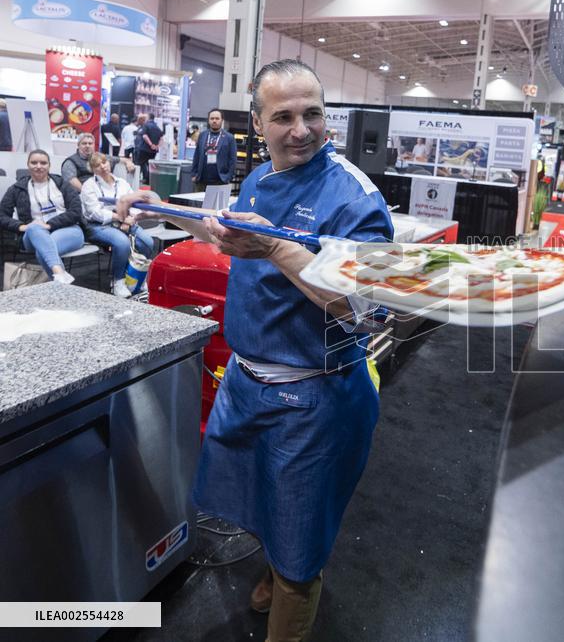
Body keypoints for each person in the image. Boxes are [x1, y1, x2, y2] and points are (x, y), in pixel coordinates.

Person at [116, 59, 393, 641]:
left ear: (328, 117)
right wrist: (157, 209)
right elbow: (230, 240)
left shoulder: (354, 198)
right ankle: (277, 571)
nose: (301, 130)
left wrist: (271, 248)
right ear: (259, 125)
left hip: (315, 399)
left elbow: (364, 308)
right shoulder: (261, 177)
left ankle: (290, 589)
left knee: (300, 548)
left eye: (312, 114)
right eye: (284, 117)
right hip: (247, 384)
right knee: (264, 508)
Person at [0, 149, 83, 283]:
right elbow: (2, 215)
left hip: (68, 230)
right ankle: (60, 274)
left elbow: (75, 211)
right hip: (32, 235)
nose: (38, 166)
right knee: (35, 228)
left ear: (49, 166)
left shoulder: (62, 184)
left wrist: (50, 225)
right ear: (28, 165)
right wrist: (21, 227)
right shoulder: (16, 188)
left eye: (43, 163)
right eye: (34, 162)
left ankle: (59, 279)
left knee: (42, 251)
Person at [79, 152, 154, 297]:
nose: (103, 166)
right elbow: (95, 212)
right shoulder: (88, 186)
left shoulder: (122, 182)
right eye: (97, 165)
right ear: (92, 169)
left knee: (148, 242)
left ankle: (136, 275)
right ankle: (118, 281)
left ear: (109, 163)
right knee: (122, 242)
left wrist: (132, 217)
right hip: (98, 225)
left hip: (125, 220)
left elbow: (133, 203)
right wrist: (121, 218)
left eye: (104, 162)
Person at [61, 132, 134, 192]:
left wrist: (128, 163)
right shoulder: (70, 162)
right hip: (84, 194)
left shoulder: (101, 157)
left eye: (90, 143)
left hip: (105, 191)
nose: (87, 146)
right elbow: (72, 181)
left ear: (94, 145)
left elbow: (122, 159)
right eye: (84, 143)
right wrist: (89, 193)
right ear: (78, 145)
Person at [191, 108, 237, 192]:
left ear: (222, 120)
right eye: (212, 118)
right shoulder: (202, 135)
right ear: (208, 120)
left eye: (217, 118)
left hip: (220, 181)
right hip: (201, 181)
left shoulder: (229, 138)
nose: (214, 121)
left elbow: (232, 160)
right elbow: (196, 155)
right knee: (199, 205)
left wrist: (228, 177)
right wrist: (194, 174)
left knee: (217, 205)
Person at [135, 112, 162, 184]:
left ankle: (135, 179)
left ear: (148, 117)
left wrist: (151, 144)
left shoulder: (146, 125)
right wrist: (156, 146)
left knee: (139, 164)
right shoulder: (157, 127)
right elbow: (161, 138)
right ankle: (148, 181)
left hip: (144, 149)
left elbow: (144, 136)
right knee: (150, 165)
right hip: (153, 151)